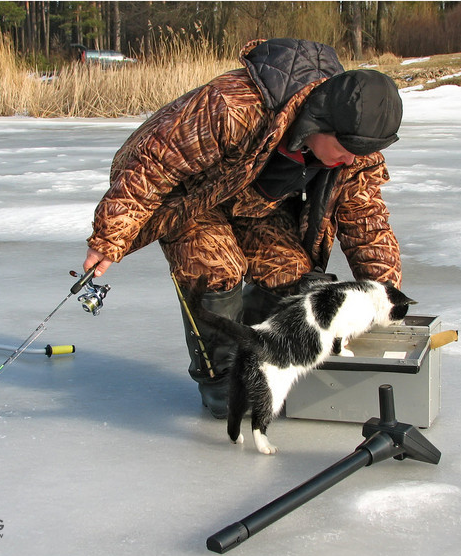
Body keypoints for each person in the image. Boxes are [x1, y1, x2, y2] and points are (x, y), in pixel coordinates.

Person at [83, 38, 403, 418]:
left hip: (252, 203)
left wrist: (383, 295)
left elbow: (367, 220)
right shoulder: (235, 106)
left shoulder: (356, 149)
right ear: (321, 119)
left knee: (295, 279)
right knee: (215, 269)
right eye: (346, 146)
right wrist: (110, 236)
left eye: (361, 151)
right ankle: (224, 382)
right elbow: (153, 165)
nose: (352, 158)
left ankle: (263, 357)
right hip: (185, 194)